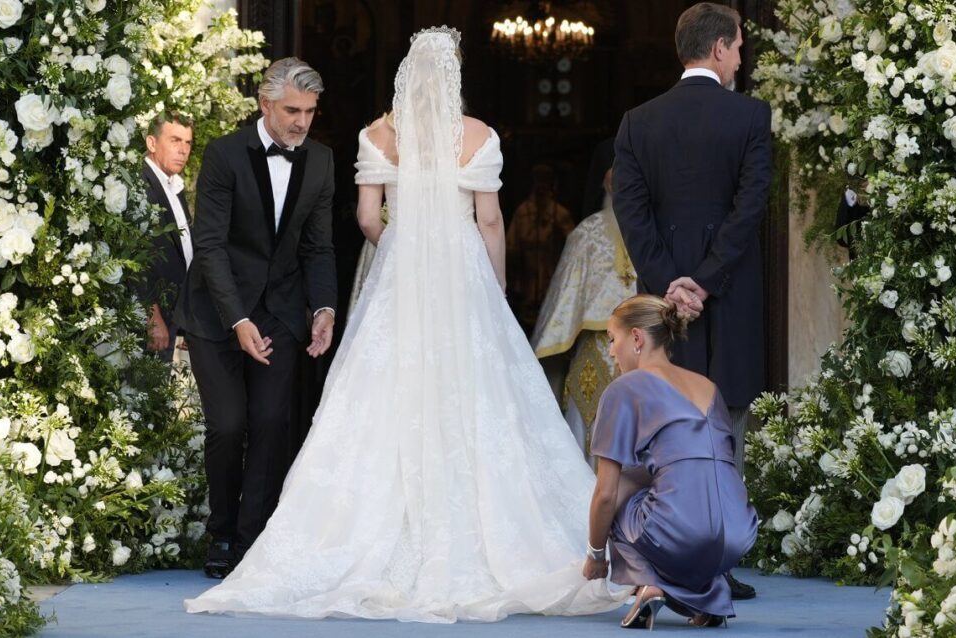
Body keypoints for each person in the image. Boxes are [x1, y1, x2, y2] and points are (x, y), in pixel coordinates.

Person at [185, 27, 627, 622]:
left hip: (400, 271)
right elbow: (491, 222)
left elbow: (368, 218)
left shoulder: (376, 136)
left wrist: (402, 245)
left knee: (378, 399)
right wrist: (494, 289)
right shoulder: (479, 137)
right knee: (474, 400)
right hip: (463, 275)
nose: (303, 121)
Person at [611, 2, 771, 599]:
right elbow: (749, 208)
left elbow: (631, 214)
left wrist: (670, 286)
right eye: (739, 48)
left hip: (662, 301)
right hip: (725, 297)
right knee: (725, 423)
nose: (740, 58)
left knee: (661, 426)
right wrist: (703, 283)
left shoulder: (636, 122)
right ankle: (717, 563)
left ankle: (659, 556)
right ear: (721, 48)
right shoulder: (751, 115)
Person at [173, 57, 338, 579]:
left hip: (282, 312)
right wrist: (238, 320)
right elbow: (211, 245)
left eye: (310, 112)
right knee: (228, 425)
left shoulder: (322, 162)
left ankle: (249, 544)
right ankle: (221, 533)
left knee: (270, 425)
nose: (301, 122)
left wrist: (324, 308)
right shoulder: (223, 154)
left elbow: (319, 247)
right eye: (292, 110)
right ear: (264, 104)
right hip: (217, 311)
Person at [582, 294, 758, 629]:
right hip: (738, 532)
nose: (610, 351)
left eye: (612, 339)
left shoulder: (624, 389)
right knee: (654, 482)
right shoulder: (708, 386)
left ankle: (651, 584)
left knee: (619, 494)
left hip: (681, 531)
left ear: (636, 338)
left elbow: (605, 494)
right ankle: (710, 597)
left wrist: (595, 555)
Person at [531, 168, 636, 462]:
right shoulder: (586, 233)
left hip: (643, 351)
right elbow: (562, 304)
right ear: (605, 181)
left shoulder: (655, 229)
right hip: (601, 354)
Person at [139, 113, 194, 362]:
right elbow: (137, 254)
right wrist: (152, 315)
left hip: (174, 315)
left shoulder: (174, 185)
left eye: (188, 142)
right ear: (152, 143)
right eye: (175, 141)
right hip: (150, 318)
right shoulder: (140, 184)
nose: (183, 150)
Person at [506, 164, 575, 331]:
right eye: (538, 181)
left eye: (545, 181)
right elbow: (510, 246)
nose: (541, 186)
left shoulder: (560, 214)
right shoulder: (523, 212)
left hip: (552, 278)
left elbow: (573, 246)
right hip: (527, 280)